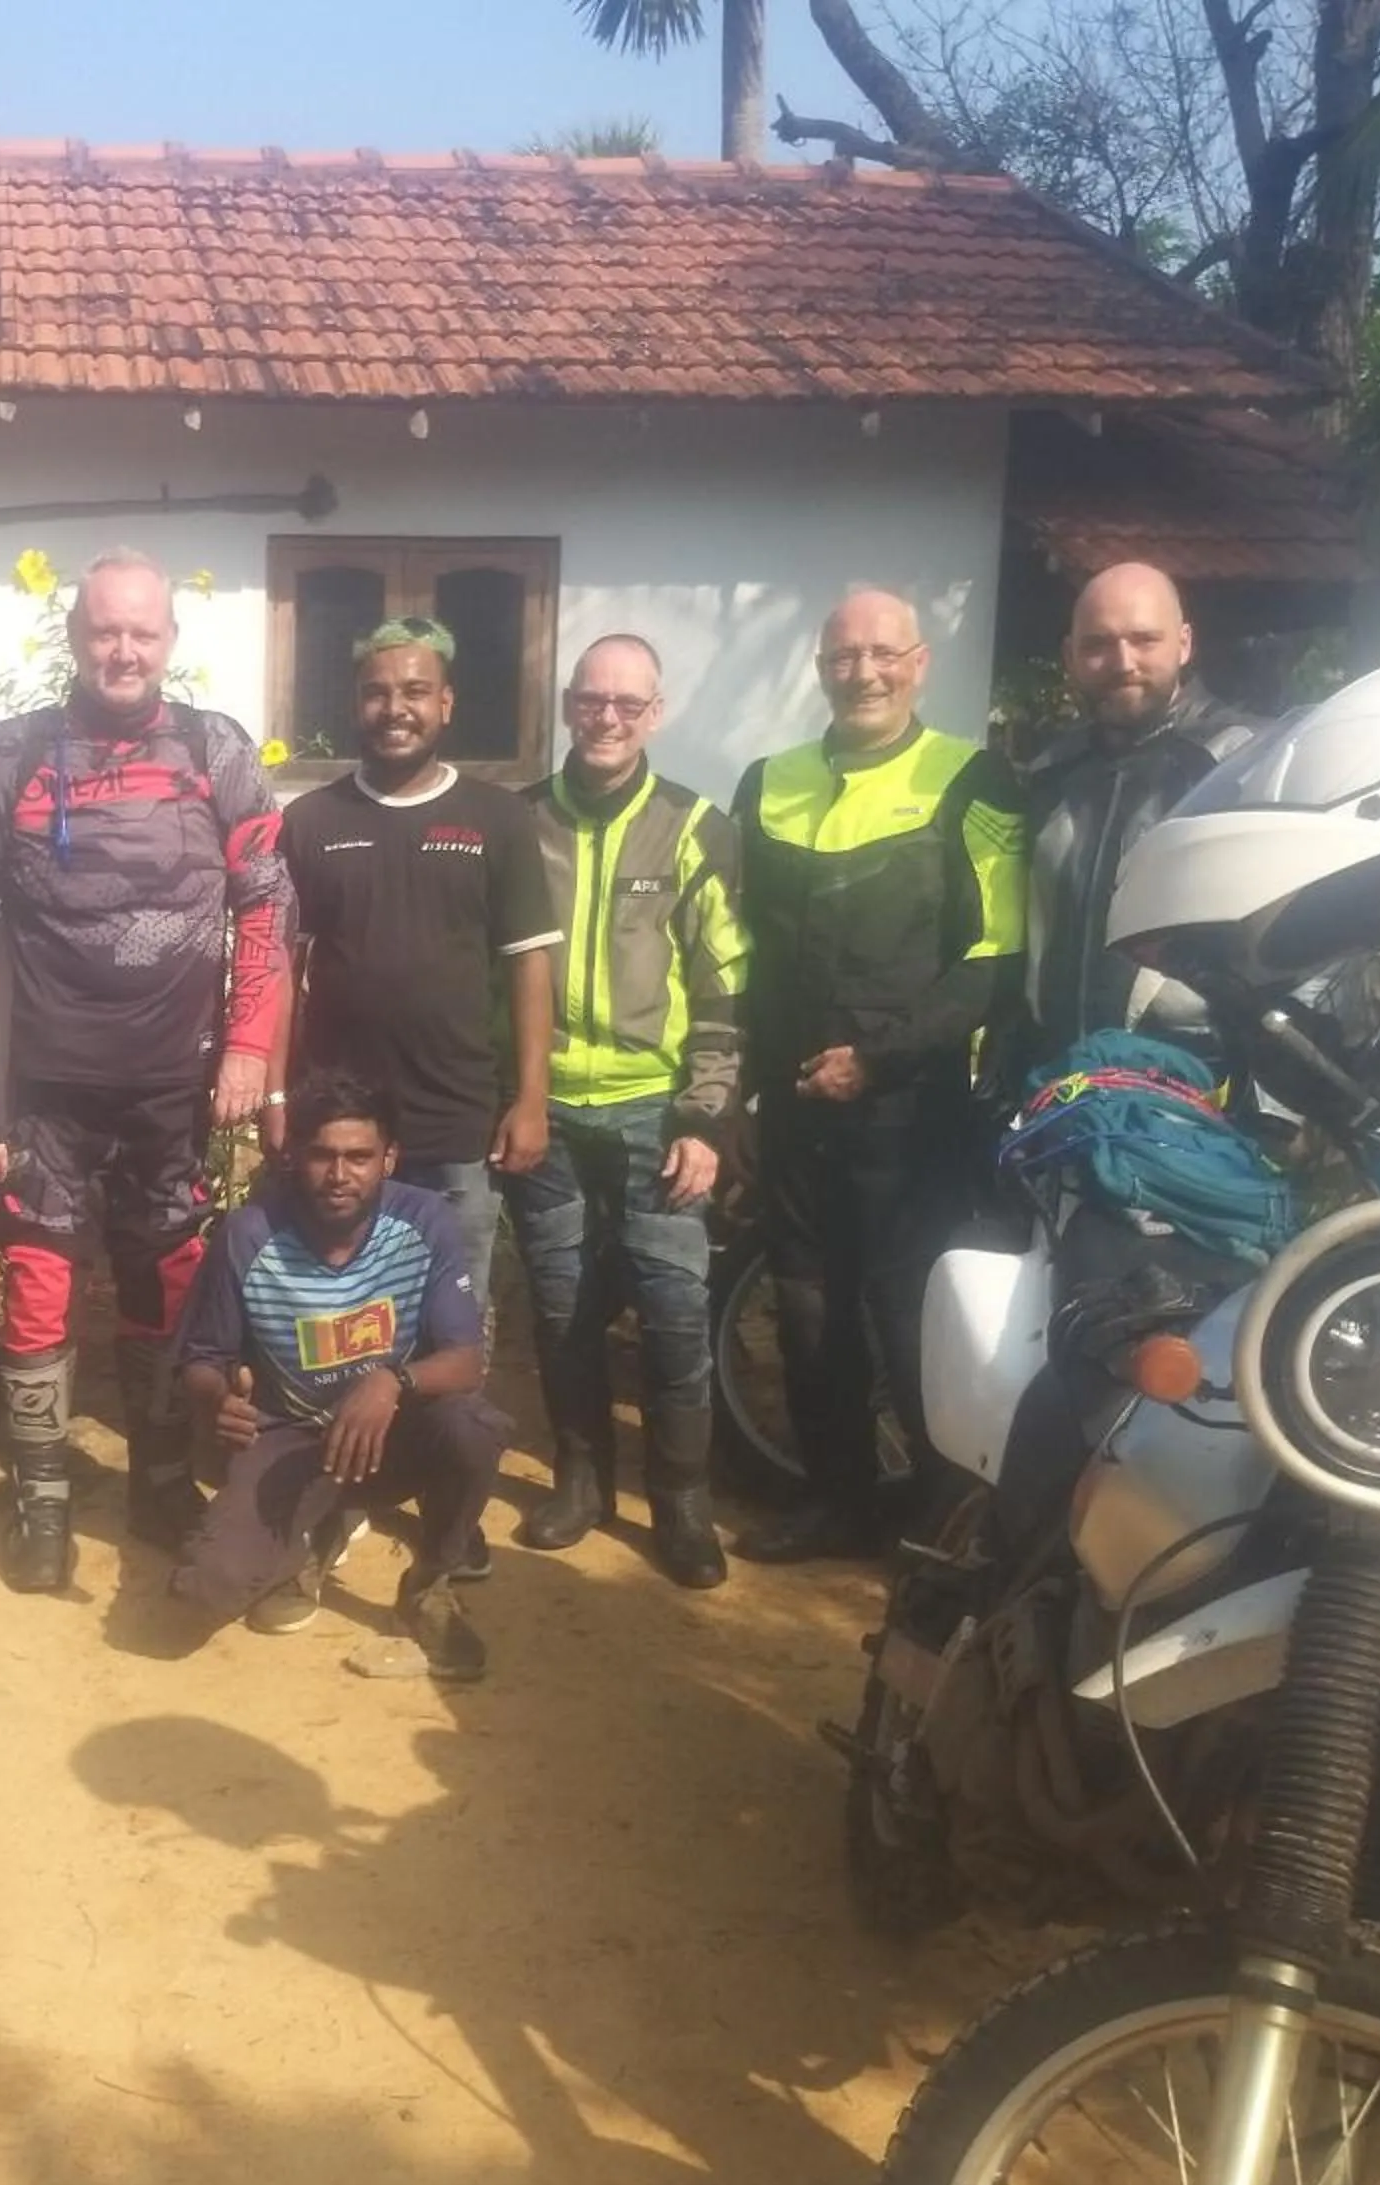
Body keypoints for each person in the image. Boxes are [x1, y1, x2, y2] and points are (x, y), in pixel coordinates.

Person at [0, 549, 295, 1593]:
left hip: (173, 1086)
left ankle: (158, 1484)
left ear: (169, 643)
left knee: (168, 1288)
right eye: (105, 630)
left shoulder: (215, 748)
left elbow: (269, 901)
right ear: (73, 639)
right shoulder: (8, 759)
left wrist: (248, 1044)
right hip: (46, 1087)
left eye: (143, 632)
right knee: (39, 1287)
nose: (124, 649)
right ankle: (42, 1501)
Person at [731, 588, 1024, 1565]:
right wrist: (737, 1086)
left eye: (882, 655)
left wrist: (883, 1059)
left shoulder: (975, 780)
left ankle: (943, 1521)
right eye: (843, 657)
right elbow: (737, 947)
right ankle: (836, 1500)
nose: (863, 673)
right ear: (821, 668)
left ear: (919, 663)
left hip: (909, 1107)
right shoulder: (767, 780)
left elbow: (991, 957)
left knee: (911, 1317)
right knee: (809, 1309)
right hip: (794, 1107)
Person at [501, 634, 745, 1584]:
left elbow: (726, 984)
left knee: (677, 1310)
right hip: (548, 1111)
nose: (607, 719)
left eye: (627, 705)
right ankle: (580, 1480)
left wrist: (707, 1118)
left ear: (657, 714)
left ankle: (682, 1500)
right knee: (562, 1309)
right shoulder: (517, 822)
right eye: (591, 701)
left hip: (657, 1113)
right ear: (568, 705)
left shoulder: (693, 826)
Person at [170, 1071, 508, 1682]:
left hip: (387, 1433)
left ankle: (430, 1584)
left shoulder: (425, 1220)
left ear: (389, 1159)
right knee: (197, 1598)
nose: (339, 1174)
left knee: (474, 1427)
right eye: (323, 1155)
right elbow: (202, 1357)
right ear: (296, 1156)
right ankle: (316, 1531)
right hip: (289, 1439)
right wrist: (217, 1397)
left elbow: (465, 1360)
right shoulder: (249, 1233)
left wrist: (390, 1383)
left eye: (359, 1157)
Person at [277, 615, 558, 1304]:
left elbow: (529, 965)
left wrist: (531, 1099)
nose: (395, 709)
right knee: (340, 1300)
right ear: (355, 705)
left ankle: (443, 1415)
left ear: (446, 703)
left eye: (415, 691)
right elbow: (281, 967)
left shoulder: (500, 819)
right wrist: (278, 1095)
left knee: (452, 1308)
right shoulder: (311, 821)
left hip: (458, 1120)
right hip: (342, 1124)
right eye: (377, 693)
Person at [1018, 562, 1262, 1065]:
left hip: (1200, 1085)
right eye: (1097, 644)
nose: (1122, 661)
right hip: (1059, 1079)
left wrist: (1280, 1110)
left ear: (1185, 643)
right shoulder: (1048, 775)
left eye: (1144, 639)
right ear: (1070, 656)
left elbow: (1317, 946)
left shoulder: (1247, 762)